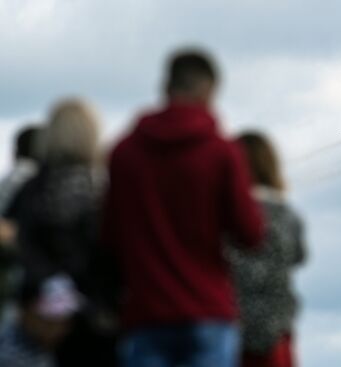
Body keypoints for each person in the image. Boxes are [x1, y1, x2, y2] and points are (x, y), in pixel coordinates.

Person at [103, 49, 264, 367]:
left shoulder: (123, 153)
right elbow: (251, 233)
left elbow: (109, 236)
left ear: (165, 88)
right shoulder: (223, 153)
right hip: (207, 309)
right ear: (209, 90)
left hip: (145, 311)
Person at [5, 99, 117, 367]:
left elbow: (18, 241)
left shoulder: (31, 190)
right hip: (97, 313)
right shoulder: (105, 190)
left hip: (42, 315)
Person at [228, 132, 306, 367]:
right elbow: (299, 255)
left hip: (229, 331)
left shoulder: (221, 217)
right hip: (276, 333)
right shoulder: (286, 216)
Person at [0, 274, 81, 367]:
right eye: (51, 321)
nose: (61, 330)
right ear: (25, 312)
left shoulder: (41, 346)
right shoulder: (8, 355)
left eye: (66, 321)